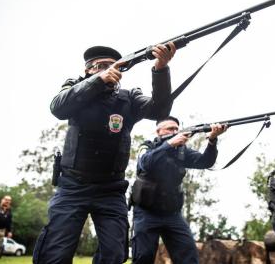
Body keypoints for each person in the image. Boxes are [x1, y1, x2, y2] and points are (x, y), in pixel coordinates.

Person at [33, 43, 176, 264]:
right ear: (88, 70)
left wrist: (161, 68)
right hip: (72, 186)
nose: (109, 69)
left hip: (111, 190)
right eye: (101, 66)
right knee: (54, 254)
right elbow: (58, 108)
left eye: (113, 66)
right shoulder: (74, 89)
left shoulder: (128, 97)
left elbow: (159, 110)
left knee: (115, 253)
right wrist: (99, 80)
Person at [130, 116, 227, 264]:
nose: (175, 131)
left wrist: (212, 140)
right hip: (146, 213)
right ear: (158, 132)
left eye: (176, 128)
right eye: (170, 129)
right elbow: (146, 163)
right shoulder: (147, 147)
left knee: (189, 257)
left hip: (172, 214)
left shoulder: (182, 151)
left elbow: (206, 161)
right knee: (143, 257)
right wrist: (169, 144)